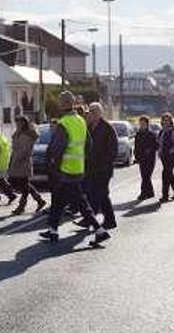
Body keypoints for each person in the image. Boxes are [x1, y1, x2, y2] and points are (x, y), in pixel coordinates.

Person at [39, 91, 110, 247]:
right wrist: (82, 158)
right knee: (58, 200)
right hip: (77, 168)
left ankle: (99, 231)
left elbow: (58, 148)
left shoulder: (64, 123)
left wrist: (53, 166)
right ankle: (52, 229)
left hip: (65, 170)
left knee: (80, 202)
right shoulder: (80, 120)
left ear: (62, 104)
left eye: (59, 101)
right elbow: (88, 144)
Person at [84, 103, 118, 230]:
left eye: (93, 111)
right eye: (89, 111)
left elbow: (113, 150)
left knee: (100, 194)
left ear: (99, 113)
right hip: (91, 168)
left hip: (103, 169)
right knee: (95, 194)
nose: (90, 114)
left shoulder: (107, 128)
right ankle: (104, 220)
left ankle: (101, 220)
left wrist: (105, 164)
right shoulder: (88, 127)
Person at [8, 116, 46, 215]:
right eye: (16, 123)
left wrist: (16, 160)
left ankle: (22, 206)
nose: (17, 124)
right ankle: (39, 200)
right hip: (16, 160)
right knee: (22, 184)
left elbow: (23, 150)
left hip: (22, 162)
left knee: (23, 184)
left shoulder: (26, 135)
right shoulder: (19, 133)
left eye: (19, 123)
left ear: (24, 124)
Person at [157, 113, 174, 202]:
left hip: (172, 156)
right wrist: (159, 152)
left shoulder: (173, 131)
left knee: (165, 174)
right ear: (162, 121)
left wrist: (169, 151)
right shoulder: (161, 131)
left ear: (171, 121)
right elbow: (160, 144)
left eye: (168, 120)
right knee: (169, 174)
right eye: (164, 120)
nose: (166, 122)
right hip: (164, 156)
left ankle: (165, 196)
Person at [134, 116, 159, 200]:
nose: (142, 125)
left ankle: (143, 193)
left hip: (150, 159)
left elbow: (156, 145)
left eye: (144, 124)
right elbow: (136, 146)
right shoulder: (138, 134)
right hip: (141, 158)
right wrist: (136, 156)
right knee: (144, 176)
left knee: (146, 176)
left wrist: (150, 149)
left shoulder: (151, 134)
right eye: (141, 124)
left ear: (147, 124)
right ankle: (150, 192)